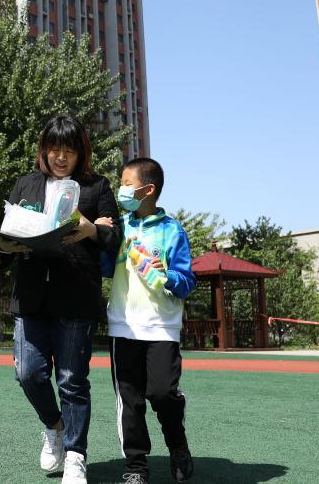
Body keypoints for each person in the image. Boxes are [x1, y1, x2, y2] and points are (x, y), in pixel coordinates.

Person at [0, 114, 121, 484]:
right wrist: (3, 245)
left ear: (81, 152)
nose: (61, 157)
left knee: (72, 380)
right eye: (54, 149)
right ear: (44, 150)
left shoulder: (96, 187)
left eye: (69, 150)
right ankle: (55, 426)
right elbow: (0, 235)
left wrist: (91, 229)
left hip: (76, 296)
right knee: (28, 374)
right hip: (31, 297)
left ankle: (76, 456)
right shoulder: (26, 184)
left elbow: (115, 238)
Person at [95, 157, 196, 483]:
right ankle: (136, 467)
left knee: (162, 394)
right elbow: (105, 268)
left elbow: (186, 281)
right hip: (122, 325)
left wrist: (166, 275)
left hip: (161, 327)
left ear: (148, 189)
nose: (121, 190)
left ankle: (177, 444)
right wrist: (102, 238)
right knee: (130, 401)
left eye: (127, 184)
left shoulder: (172, 230)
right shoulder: (120, 227)